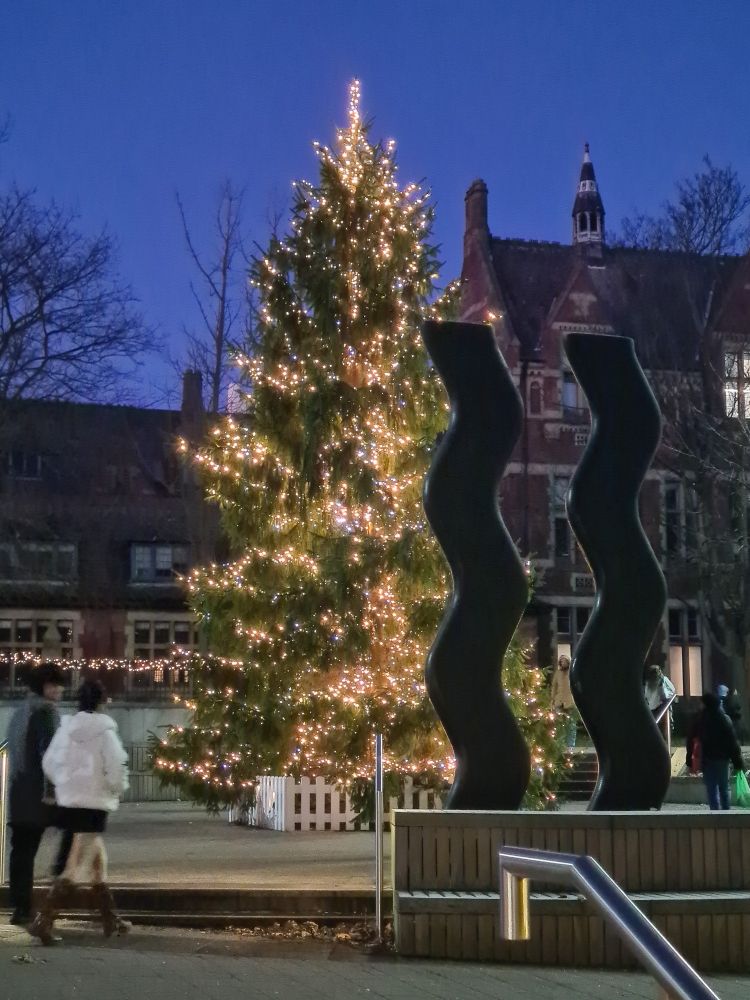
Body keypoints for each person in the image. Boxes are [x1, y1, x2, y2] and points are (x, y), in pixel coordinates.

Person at [30, 679, 130, 945]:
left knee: (98, 861)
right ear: (101, 702)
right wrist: (115, 788)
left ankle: (111, 919)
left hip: (71, 802)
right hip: (94, 804)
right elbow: (116, 768)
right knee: (75, 865)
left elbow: (49, 762)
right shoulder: (105, 732)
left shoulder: (67, 729)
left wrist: (66, 782)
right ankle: (44, 920)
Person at [6, 662, 73, 926]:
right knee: (76, 823)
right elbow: (50, 757)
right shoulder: (45, 713)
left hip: (19, 792)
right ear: (44, 687)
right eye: (55, 685)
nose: (59, 690)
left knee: (21, 850)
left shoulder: (20, 712)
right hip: (38, 794)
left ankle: (21, 908)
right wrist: (52, 792)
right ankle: (59, 872)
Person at [686, 692, 744, 810]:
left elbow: (691, 739)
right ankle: (726, 814)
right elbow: (732, 742)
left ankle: (715, 815)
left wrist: (689, 760)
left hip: (707, 759)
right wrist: (738, 762)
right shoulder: (724, 719)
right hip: (723, 759)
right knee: (723, 787)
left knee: (711, 789)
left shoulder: (700, 719)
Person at [551, 654, 577, 750]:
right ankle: (559, 745)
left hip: (570, 702)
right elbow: (554, 687)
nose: (563, 663)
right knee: (559, 725)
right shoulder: (558, 673)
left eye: (565, 661)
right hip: (559, 702)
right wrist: (552, 700)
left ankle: (570, 746)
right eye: (561, 661)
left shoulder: (572, 673)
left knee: (571, 725)